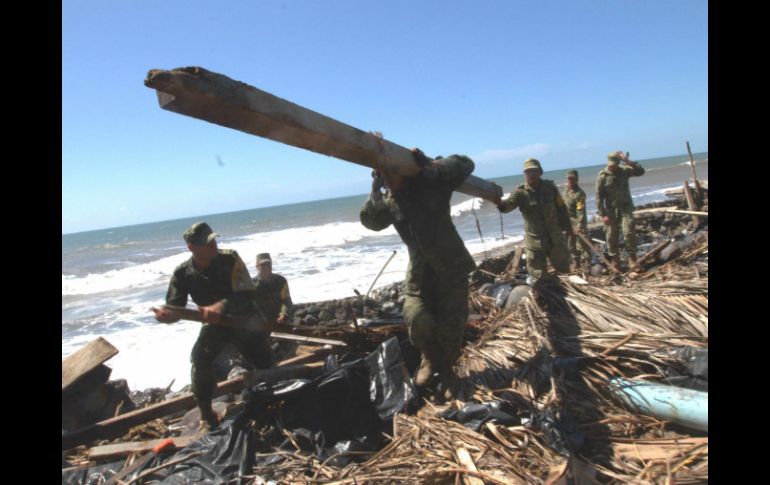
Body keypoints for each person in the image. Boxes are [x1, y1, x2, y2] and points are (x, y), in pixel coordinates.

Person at [360, 149, 476, 400]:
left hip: (450, 265)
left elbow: (466, 163)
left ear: (405, 171)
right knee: (415, 316)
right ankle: (430, 360)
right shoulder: (392, 201)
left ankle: (447, 372)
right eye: (384, 175)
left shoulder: (432, 184)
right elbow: (372, 222)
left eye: (392, 173)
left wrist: (430, 165)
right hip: (419, 272)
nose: (389, 178)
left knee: (450, 326)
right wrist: (375, 189)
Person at [152, 223, 273, 431]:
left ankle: (275, 403)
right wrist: (167, 316)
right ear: (192, 247)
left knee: (265, 363)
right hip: (216, 325)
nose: (214, 246)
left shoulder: (230, 258)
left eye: (214, 241)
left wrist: (221, 306)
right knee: (200, 360)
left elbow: (247, 291)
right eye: (207, 244)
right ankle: (207, 417)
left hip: (244, 320)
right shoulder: (183, 273)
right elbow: (176, 308)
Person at [495, 158, 574, 280]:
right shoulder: (521, 193)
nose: (530, 174)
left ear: (540, 172)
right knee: (538, 278)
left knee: (565, 271)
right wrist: (496, 199)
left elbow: (561, 208)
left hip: (555, 238)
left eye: (533, 171)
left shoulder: (550, 188)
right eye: (527, 172)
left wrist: (569, 228)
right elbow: (506, 207)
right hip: (535, 242)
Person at [595, 151, 645, 268]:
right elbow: (599, 197)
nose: (613, 166)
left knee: (628, 232)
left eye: (615, 164)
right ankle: (615, 261)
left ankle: (633, 259)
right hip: (611, 210)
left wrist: (627, 162)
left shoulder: (624, 170)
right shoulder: (602, 176)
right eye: (611, 164)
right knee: (611, 236)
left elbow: (640, 171)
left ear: (618, 163)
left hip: (625, 207)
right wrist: (603, 215)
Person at [252, 252, 294, 325]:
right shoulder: (251, 284)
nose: (266, 267)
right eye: (263, 265)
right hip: (260, 322)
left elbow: (286, 301)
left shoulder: (281, 281)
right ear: (257, 267)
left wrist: (284, 314)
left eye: (268, 264)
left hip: (280, 319)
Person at [563, 170, 590, 272]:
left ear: (577, 179)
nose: (570, 180)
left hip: (578, 222)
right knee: (571, 245)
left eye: (573, 178)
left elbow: (580, 210)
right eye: (569, 178)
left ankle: (587, 264)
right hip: (568, 222)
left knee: (582, 244)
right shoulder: (565, 190)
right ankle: (576, 263)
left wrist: (579, 225)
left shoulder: (580, 194)